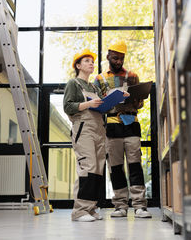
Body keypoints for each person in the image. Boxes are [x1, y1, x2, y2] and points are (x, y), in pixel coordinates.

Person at [94, 41, 152, 218]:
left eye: (121, 58)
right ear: (108, 57)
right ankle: (120, 206)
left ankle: (140, 206)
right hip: (112, 126)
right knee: (116, 167)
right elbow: (97, 105)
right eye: (115, 58)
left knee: (135, 165)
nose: (118, 61)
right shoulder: (99, 79)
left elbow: (140, 103)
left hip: (131, 124)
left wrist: (137, 101)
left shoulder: (133, 76)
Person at [63, 49, 106, 222]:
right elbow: (68, 106)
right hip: (83, 128)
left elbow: (103, 106)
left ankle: (91, 208)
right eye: (87, 61)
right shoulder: (73, 83)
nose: (91, 63)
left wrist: (117, 99)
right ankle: (79, 211)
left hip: (99, 128)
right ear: (78, 65)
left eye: (92, 61)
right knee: (87, 167)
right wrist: (88, 103)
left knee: (97, 169)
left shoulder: (94, 87)